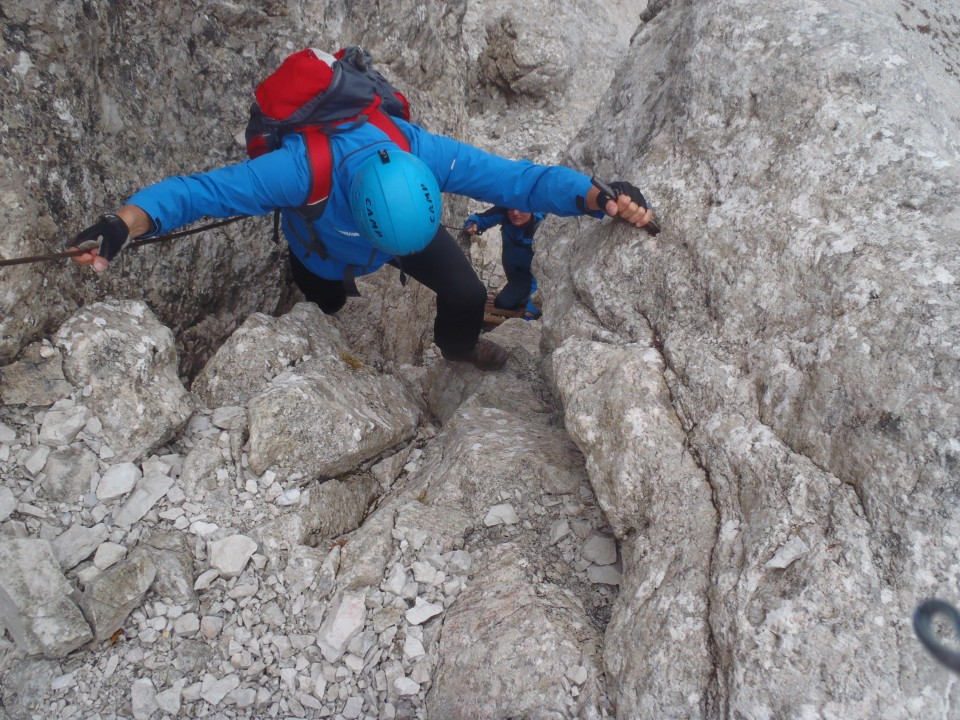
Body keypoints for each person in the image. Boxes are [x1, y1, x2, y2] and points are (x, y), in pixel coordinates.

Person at [69, 51, 655, 372]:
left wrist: (595, 196)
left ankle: (459, 349)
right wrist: (126, 222)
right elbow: (197, 193)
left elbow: (518, 180)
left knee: (468, 294)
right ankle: (323, 316)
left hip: (405, 226)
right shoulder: (296, 171)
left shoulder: (416, 146)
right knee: (322, 300)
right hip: (321, 253)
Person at [462, 207, 544, 318]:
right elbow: (484, 218)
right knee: (501, 304)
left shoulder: (540, 231)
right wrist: (473, 223)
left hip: (533, 282)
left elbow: (539, 278)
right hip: (517, 281)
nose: (515, 213)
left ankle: (528, 304)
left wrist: (531, 311)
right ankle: (521, 300)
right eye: (511, 208)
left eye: (521, 208)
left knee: (530, 310)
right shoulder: (506, 214)